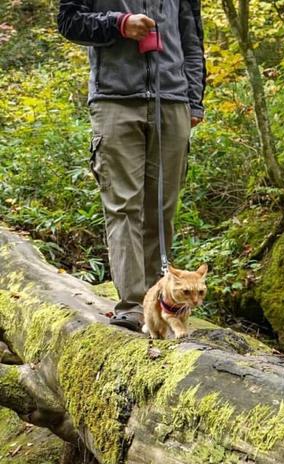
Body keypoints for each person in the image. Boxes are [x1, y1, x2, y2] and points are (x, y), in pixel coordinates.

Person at [58, 0, 206, 331]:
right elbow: (69, 21)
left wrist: (194, 98)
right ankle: (132, 306)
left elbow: (192, 38)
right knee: (124, 205)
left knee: (162, 207)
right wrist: (119, 24)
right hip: (114, 99)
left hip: (172, 100)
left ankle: (161, 305)